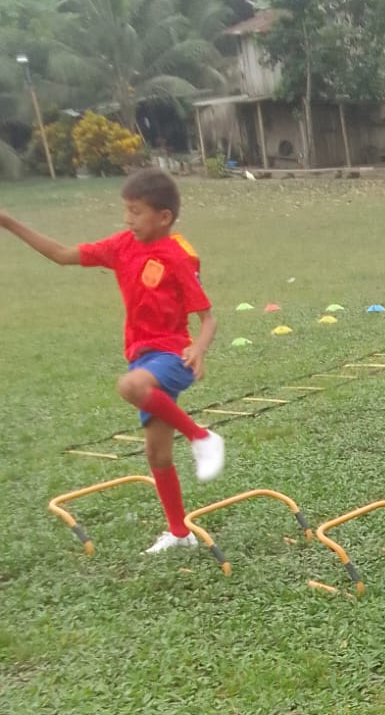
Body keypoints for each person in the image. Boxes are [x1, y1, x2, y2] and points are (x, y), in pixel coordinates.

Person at [0, 169, 223, 554]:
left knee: (131, 386)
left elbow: (208, 318)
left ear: (164, 217)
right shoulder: (121, 246)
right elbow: (61, 255)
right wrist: (8, 222)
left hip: (174, 355)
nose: (127, 219)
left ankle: (202, 437)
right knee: (157, 454)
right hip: (142, 356)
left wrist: (199, 348)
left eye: (136, 211)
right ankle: (179, 534)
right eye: (126, 210)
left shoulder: (177, 256)